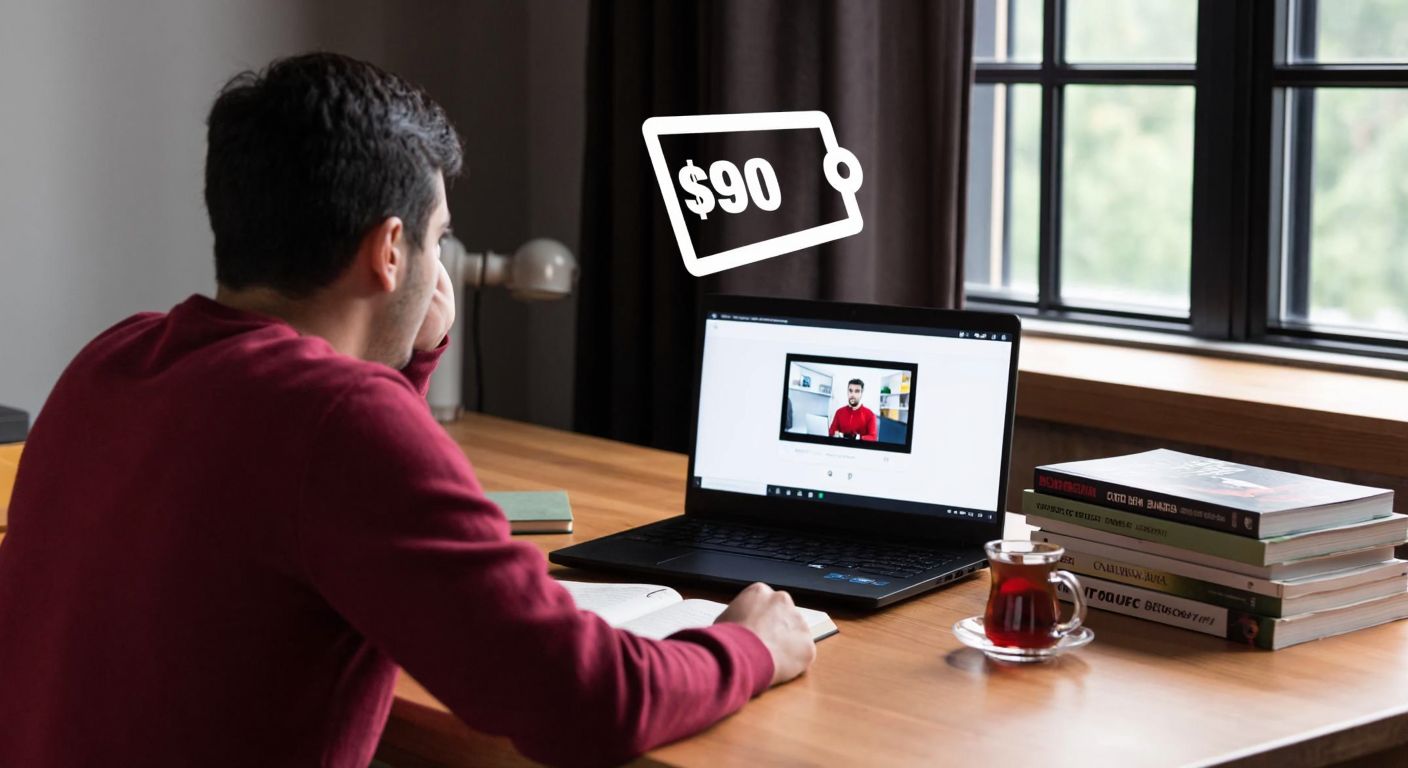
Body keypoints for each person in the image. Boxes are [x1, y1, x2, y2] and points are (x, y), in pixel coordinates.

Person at [0, 53, 814, 768]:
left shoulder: (114, 358)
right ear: (391, 252)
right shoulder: (337, 424)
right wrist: (749, 646)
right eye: (438, 237)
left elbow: (330, 507)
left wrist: (408, 364)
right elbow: (583, 702)